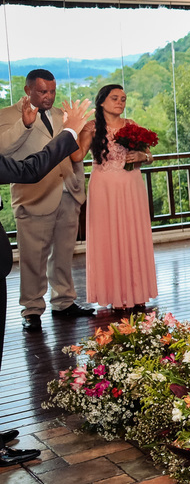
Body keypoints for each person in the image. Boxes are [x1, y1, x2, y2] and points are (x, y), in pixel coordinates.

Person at [0, 69, 92, 328]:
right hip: (34, 196)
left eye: (52, 91)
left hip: (67, 192)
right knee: (33, 258)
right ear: (28, 90)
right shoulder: (7, 115)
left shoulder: (60, 116)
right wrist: (25, 124)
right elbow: (3, 150)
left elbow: (71, 151)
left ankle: (64, 302)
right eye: (42, 91)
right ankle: (32, 309)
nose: (49, 97)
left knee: (63, 253)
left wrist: (83, 132)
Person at [74, 84, 157, 313]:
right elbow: (77, 155)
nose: (120, 102)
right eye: (114, 98)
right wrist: (71, 129)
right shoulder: (91, 127)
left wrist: (142, 156)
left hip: (131, 185)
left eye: (123, 98)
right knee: (109, 237)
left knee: (133, 235)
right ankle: (115, 294)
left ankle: (137, 293)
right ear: (101, 102)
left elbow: (149, 155)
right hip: (104, 188)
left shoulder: (131, 126)